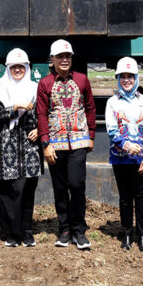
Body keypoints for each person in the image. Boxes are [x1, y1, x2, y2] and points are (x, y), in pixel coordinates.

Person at [36, 39, 97, 250]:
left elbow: (90, 107)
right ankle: (64, 229)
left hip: (79, 141)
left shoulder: (82, 80)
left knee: (77, 185)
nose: (64, 60)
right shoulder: (45, 84)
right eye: (60, 56)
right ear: (51, 60)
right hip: (55, 143)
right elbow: (41, 114)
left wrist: (91, 135)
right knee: (60, 187)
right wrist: (46, 143)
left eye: (67, 56)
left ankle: (79, 230)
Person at [106, 57, 143, 252]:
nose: (126, 80)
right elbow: (112, 131)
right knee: (125, 198)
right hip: (120, 159)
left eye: (130, 76)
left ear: (136, 78)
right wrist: (127, 145)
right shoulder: (112, 102)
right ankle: (127, 234)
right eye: (122, 77)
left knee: (142, 198)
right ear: (117, 78)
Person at [0, 48, 42, 248]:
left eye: (22, 67)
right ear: (9, 68)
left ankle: (27, 231)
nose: (18, 70)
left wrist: (38, 129)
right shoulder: (0, 88)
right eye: (14, 67)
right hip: (6, 143)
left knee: (28, 188)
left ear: (27, 68)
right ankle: (12, 231)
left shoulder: (35, 88)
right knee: (8, 189)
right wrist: (14, 108)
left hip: (29, 144)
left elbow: (43, 112)